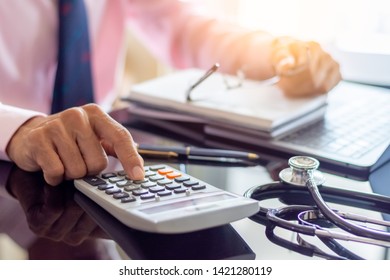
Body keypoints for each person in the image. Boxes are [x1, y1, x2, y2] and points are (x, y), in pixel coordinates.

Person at [0, 0, 341, 186]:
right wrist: (18, 128)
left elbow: (179, 24)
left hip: (102, 154)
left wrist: (272, 52)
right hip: (11, 163)